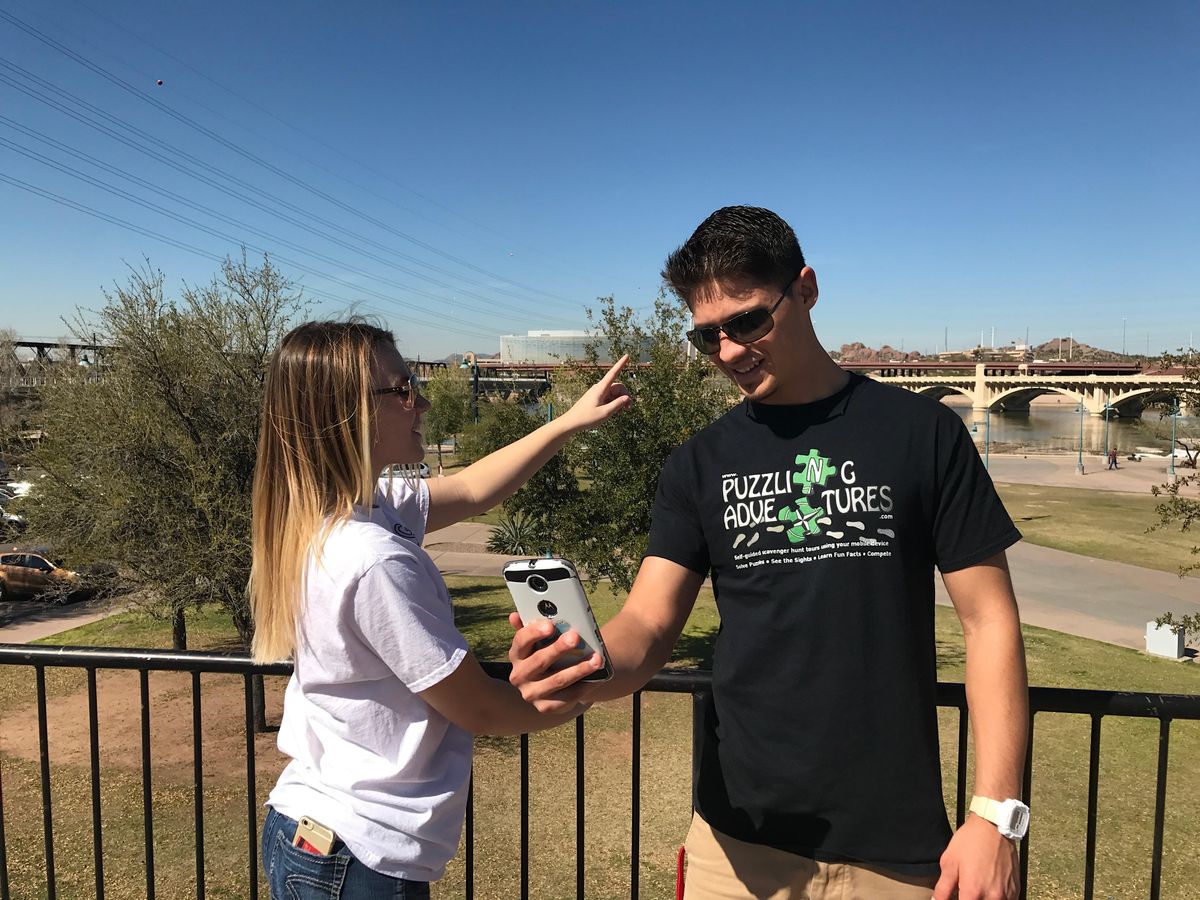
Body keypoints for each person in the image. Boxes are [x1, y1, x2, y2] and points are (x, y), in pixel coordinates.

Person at [510, 207, 1029, 900]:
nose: (728, 352)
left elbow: (989, 622)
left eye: (748, 321)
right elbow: (649, 624)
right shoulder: (698, 463)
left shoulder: (924, 435)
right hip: (735, 848)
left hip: (895, 853)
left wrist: (995, 817)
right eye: (708, 335)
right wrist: (586, 667)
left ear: (806, 290)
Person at [249, 320, 628, 898]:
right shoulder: (373, 560)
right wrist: (581, 691)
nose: (421, 402)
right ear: (348, 413)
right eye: (403, 390)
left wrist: (568, 421)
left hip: (310, 829)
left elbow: (474, 488)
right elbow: (482, 709)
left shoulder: (329, 517)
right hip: (361, 858)